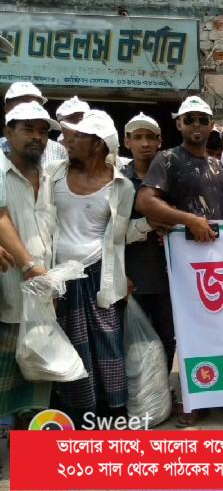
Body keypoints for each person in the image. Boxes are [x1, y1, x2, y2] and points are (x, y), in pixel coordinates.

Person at [135, 96, 223, 426]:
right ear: (179, 124)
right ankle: (190, 398)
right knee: (184, 333)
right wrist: (189, 220)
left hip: (216, 263)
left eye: (202, 119)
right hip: (181, 264)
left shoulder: (218, 165)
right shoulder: (168, 158)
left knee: (215, 329)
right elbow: (145, 201)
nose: (196, 125)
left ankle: (220, 393)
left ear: (211, 125)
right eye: (190, 119)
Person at [49, 109, 137, 425]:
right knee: (71, 346)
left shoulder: (121, 186)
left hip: (100, 274)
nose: (68, 142)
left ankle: (113, 412)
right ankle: (78, 413)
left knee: (106, 343)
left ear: (98, 144)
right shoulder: (53, 175)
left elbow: (119, 234)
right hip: (59, 277)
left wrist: (146, 228)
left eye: (78, 137)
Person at [0, 101, 57, 430]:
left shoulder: (47, 177)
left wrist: (52, 282)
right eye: (28, 129)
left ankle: (29, 451)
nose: (37, 136)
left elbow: (51, 231)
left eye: (43, 131)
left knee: (35, 387)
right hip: (9, 293)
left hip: (41, 299)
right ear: (8, 132)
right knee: (3, 382)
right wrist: (28, 265)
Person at [122, 113, 175, 371]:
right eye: (138, 137)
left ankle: (163, 387)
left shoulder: (172, 175)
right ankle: (142, 389)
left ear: (159, 141)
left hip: (171, 276)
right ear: (127, 142)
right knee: (137, 343)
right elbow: (111, 232)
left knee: (168, 336)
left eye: (150, 137)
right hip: (135, 277)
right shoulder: (119, 181)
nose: (145, 143)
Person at [2, 82, 67, 166]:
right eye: (23, 104)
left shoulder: (58, 151)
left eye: (36, 105)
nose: (30, 108)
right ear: (6, 108)